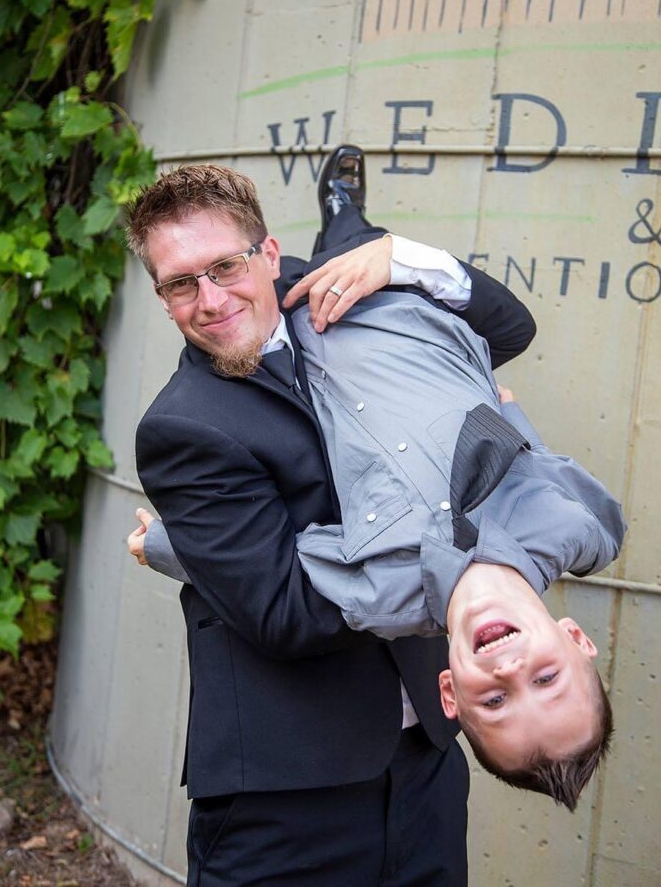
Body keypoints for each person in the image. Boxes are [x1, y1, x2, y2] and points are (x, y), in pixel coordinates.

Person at [125, 148, 536, 886]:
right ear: (161, 296)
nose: (211, 300)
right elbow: (286, 611)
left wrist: (403, 260)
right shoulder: (183, 430)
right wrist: (464, 568)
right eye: (180, 284)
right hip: (287, 793)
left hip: (426, 760)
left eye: (224, 267)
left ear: (268, 252)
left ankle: (348, 212)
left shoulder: (337, 295)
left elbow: (504, 334)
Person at [132, 217, 625, 814]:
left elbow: (281, 569)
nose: (510, 669)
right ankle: (348, 215)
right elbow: (531, 443)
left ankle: (338, 222)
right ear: (574, 639)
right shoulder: (586, 529)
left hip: (314, 335)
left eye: (493, 702)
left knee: (317, 268)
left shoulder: (380, 594)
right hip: (405, 325)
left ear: (451, 691)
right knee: (354, 243)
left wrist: (167, 546)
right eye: (546, 679)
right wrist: (402, 263)